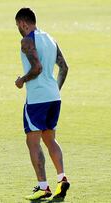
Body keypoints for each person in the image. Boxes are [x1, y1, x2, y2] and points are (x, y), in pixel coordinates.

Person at [14, 7, 70, 200]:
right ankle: (62, 178)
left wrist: (22, 80)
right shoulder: (50, 39)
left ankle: (43, 186)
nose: (19, 30)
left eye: (18, 26)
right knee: (50, 139)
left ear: (23, 23)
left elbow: (36, 68)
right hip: (54, 97)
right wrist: (55, 91)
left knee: (33, 141)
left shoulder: (27, 40)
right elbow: (64, 67)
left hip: (37, 99)